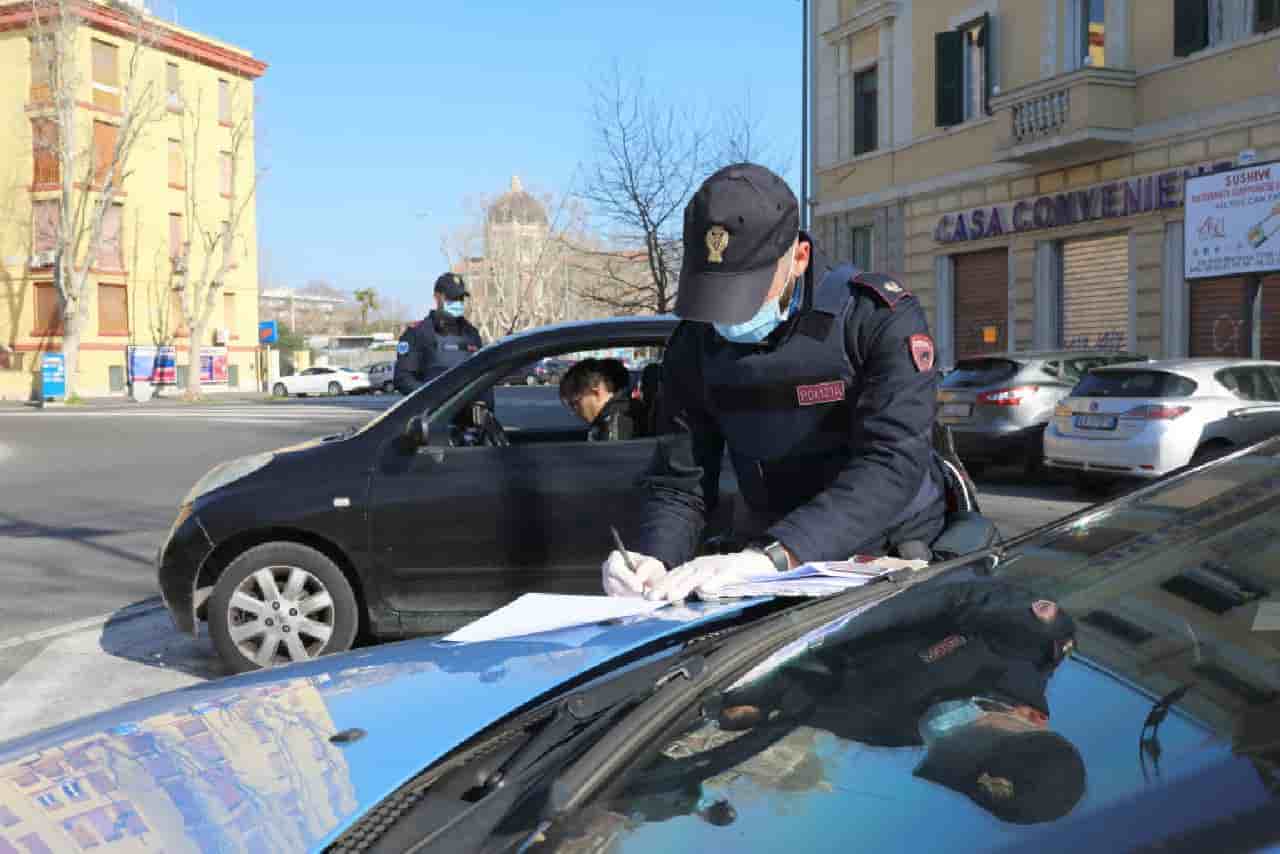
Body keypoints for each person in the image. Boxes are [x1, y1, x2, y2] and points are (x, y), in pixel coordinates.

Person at [602, 163, 946, 601]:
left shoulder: (875, 319)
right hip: (767, 555)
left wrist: (776, 556)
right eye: (715, 293)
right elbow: (680, 481)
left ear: (798, 258)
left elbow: (891, 465)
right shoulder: (694, 344)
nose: (728, 314)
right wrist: (653, 557)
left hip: (886, 554)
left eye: (746, 291)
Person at [571, 578, 1086, 836]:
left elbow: (809, 701)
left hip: (742, 632)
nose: (945, 736)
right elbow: (956, 594)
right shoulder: (1028, 646)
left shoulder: (893, 734)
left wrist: (753, 707)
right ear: (1031, 718)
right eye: (977, 738)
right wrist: (824, 632)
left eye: (954, 755)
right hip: (824, 585)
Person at [393, 273, 484, 395]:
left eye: (460, 298)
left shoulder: (471, 333)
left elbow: (482, 375)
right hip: (435, 410)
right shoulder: (417, 333)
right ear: (437, 297)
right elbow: (403, 379)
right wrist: (434, 395)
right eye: (452, 298)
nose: (458, 302)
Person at [559, 358, 638, 442]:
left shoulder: (618, 421)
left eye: (575, 403)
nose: (574, 412)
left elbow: (613, 454)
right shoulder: (607, 419)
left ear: (595, 390)